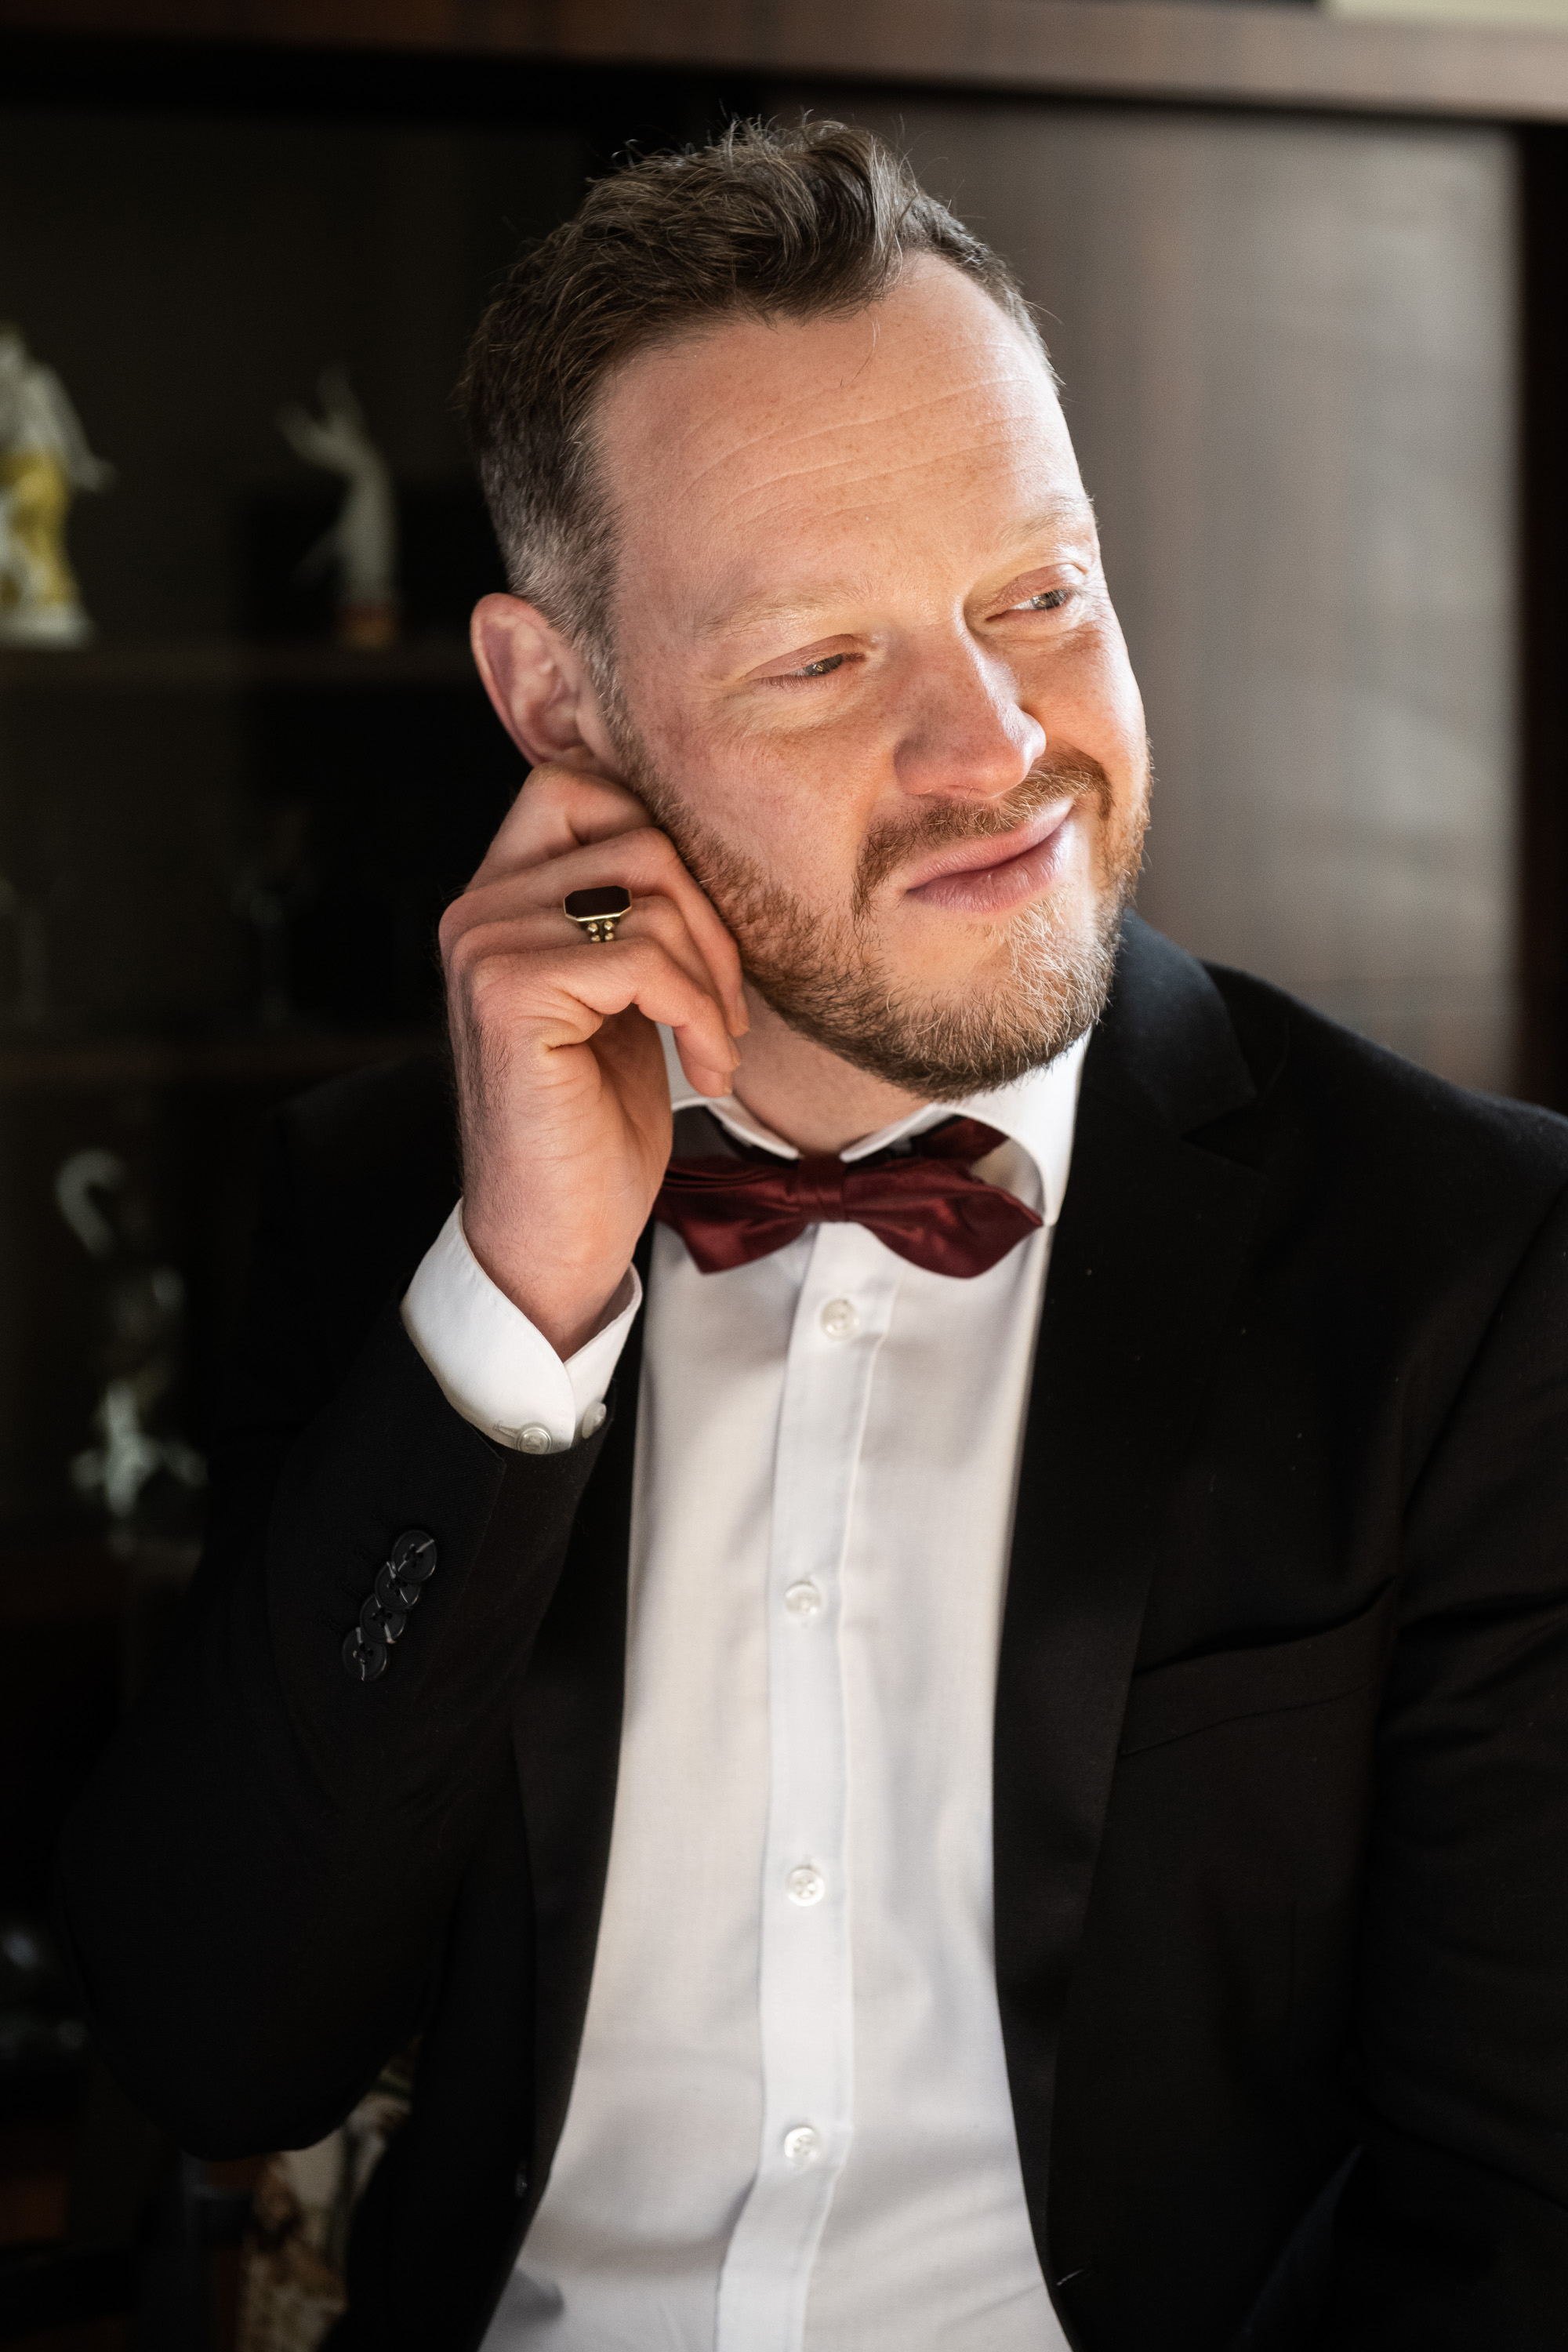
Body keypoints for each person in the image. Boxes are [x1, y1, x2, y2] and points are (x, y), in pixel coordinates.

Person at [56, 122, 1568, 2352]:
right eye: (823, 659)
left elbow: (1518, 2213)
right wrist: (516, 1317)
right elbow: (214, 2040)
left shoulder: (1473, 1260)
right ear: (559, 705)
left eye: (1039, 595)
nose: (998, 746)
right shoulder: (380, 1204)